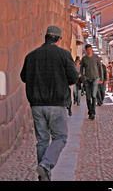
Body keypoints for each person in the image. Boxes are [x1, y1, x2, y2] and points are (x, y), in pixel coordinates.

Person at [20, 25, 78, 181]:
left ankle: (43, 176)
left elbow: (24, 77)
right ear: (58, 39)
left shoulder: (31, 56)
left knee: (42, 140)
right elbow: (74, 77)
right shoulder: (63, 55)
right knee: (60, 137)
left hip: (37, 104)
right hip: (57, 103)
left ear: (46, 37)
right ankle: (45, 165)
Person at [80, 44, 103, 120]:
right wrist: (83, 76)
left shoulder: (96, 58)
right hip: (87, 79)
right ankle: (90, 111)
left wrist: (101, 78)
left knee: (93, 96)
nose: (89, 51)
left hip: (95, 79)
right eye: (87, 50)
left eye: (90, 49)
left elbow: (100, 68)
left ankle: (92, 112)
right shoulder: (84, 59)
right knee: (88, 97)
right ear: (86, 50)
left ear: (91, 49)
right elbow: (81, 68)